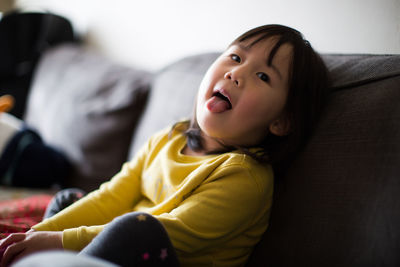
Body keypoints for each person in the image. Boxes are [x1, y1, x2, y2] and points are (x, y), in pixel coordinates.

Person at [0, 24, 329, 267]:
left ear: (282, 121)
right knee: (69, 200)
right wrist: (37, 236)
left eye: (263, 76)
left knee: (137, 229)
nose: (236, 74)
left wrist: (57, 242)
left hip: (150, 254)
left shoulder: (245, 179)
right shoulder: (169, 138)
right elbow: (113, 196)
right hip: (111, 250)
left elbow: (170, 232)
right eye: (234, 57)